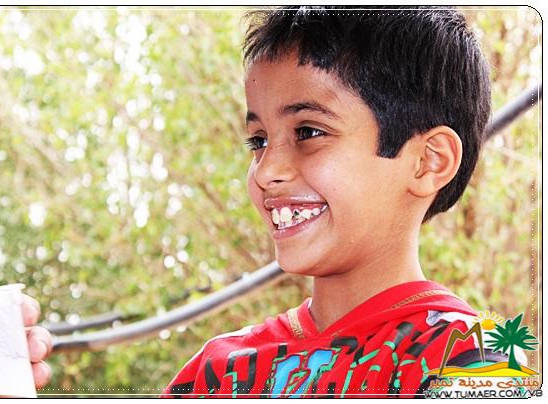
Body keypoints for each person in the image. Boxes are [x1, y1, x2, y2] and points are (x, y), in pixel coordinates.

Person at [160, 6, 505, 398]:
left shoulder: (471, 362)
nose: (265, 171)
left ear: (429, 161)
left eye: (308, 132)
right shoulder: (215, 374)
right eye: (259, 140)